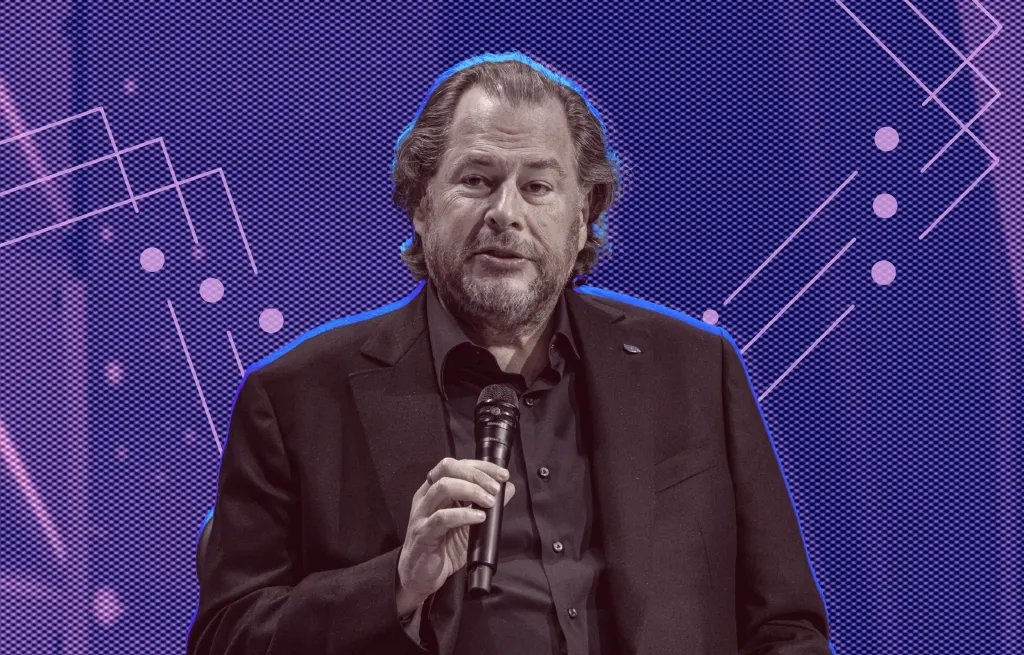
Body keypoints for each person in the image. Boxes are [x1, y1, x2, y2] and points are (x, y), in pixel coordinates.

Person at [187, 51, 833, 654]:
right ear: (420, 204)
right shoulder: (296, 398)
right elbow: (225, 635)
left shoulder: (694, 367)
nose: (505, 213)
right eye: (477, 179)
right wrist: (398, 582)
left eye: (538, 186)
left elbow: (786, 626)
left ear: (583, 213)